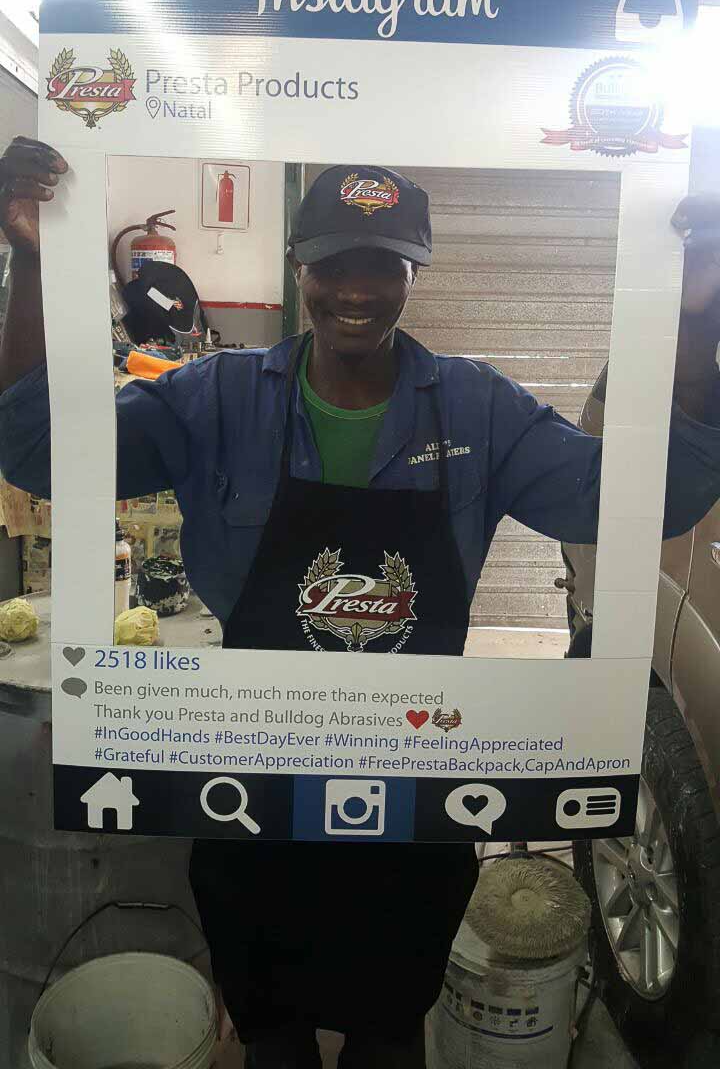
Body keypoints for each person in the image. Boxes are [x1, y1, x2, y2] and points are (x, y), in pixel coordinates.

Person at [1, 137, 720, 1068]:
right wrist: (32, 258)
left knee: (388, 1032)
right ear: (299, 265)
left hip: (417, 786)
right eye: (333, 262)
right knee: (272, 1034)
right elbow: (36, 450)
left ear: (415, 272)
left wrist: (697, 320)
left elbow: (650, 499)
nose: (356, 288)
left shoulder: (478, 408)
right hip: (250, 780)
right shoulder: (213, 401)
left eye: (384, 264)